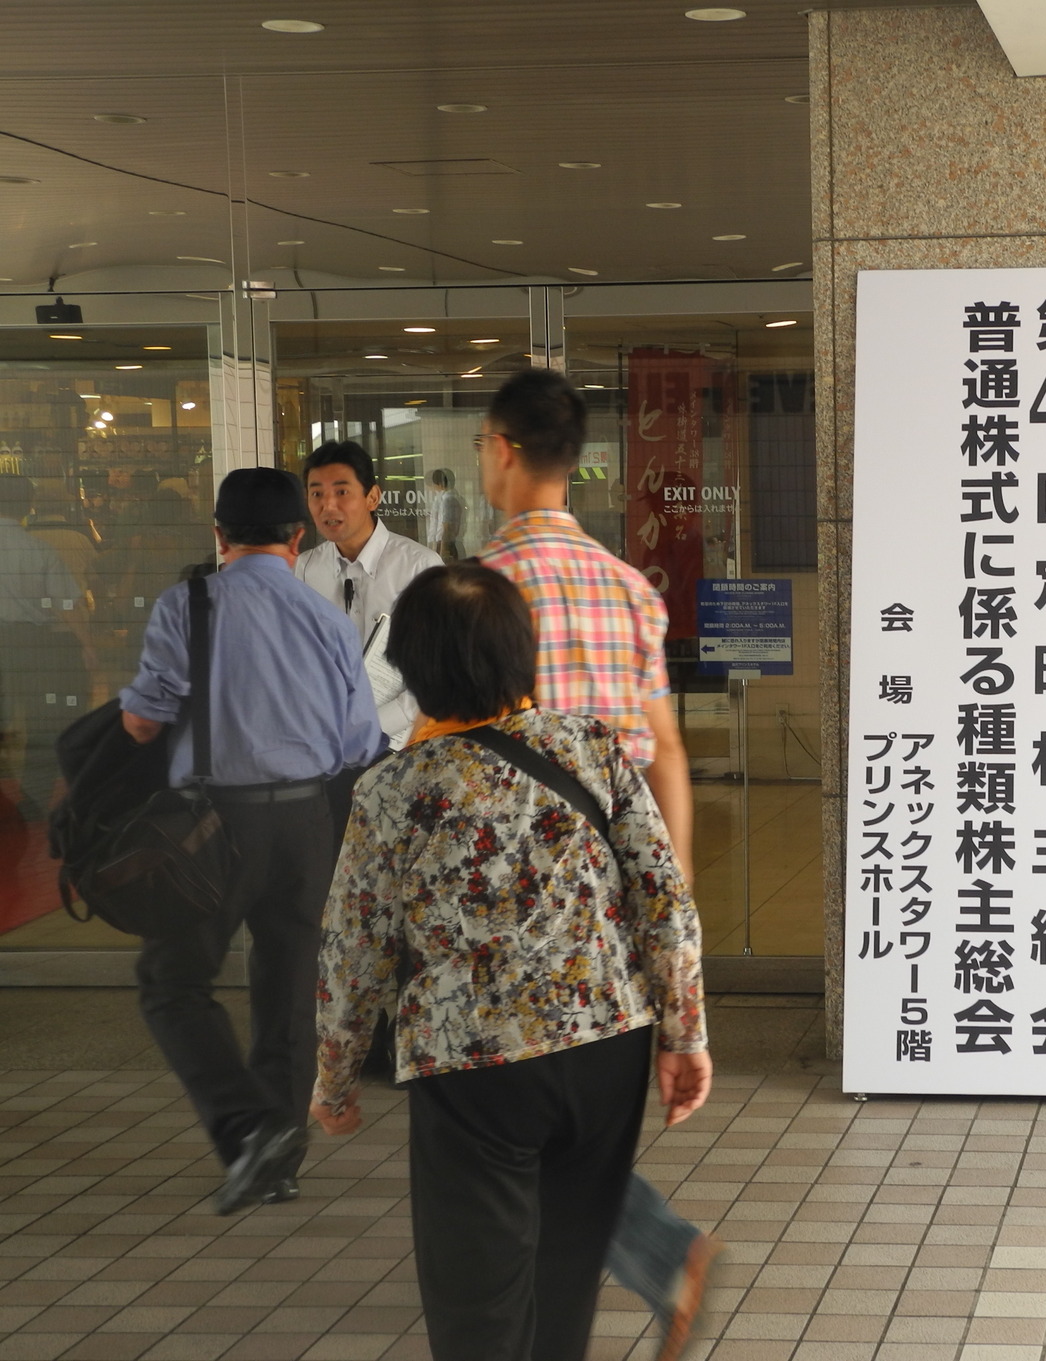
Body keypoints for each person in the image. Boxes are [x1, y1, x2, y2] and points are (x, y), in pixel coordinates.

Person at [310, 562, 710, 1361]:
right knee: (563, 1279)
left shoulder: (392, 790)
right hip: (607, 1046)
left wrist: (335, 1080)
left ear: (415, 670)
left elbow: (355, 954)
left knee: (477, 1303)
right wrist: (684, 1034)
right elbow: (664, 899)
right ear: (519, 653)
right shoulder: (591, 746)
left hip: (475, 1069)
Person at [474, 368, 713, 1357]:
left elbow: (459, 753)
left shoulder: (480, 588)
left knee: (504, 1112)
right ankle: (651, 1252)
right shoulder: (629, 588)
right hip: (617, 889)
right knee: (576, 1100)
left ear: (499, 447)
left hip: (514, 897)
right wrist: (677, 897)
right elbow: (667, 750)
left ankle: (647, 1254)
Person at [121, 467, 385, 1215]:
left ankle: (247, 1130)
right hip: (306, 822)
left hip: (212, 824)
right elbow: (359, 739)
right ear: (296, 536)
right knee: (288, 986)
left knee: (173, 980)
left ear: (217, 532)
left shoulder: (187, 604)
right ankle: (280, 1160)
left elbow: (143, 721)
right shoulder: (327, 617)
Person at [295, 441, 442, 756]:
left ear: (372, 497)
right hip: (325, 747)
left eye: (342, 492)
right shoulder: (304, 569)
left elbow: (437, 674)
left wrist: (369, 726)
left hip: (402, 746)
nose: (328, 506)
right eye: (316, 493)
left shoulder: (420, 567)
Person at [0, 474, 86, 822]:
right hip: (31, 644)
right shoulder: (38, 550)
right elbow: (67, 605)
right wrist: (88, 647)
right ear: (27, 507)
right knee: (37, 723)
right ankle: (32, 802)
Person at [426, 466, 465, 561]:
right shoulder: (449, 499)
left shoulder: (448, 500)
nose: (433, 488)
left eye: (434, 484)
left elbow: (447, 527)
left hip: (447, 544)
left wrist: (443, 551)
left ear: (440, 484)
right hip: (447, 543)